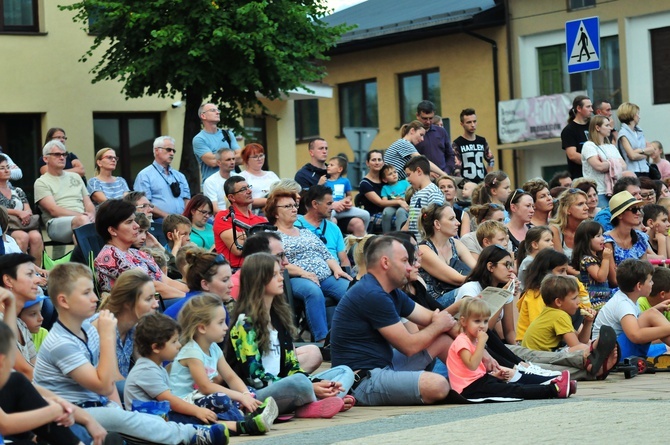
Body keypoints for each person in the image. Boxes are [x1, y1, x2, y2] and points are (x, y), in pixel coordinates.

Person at [34, 263, 229, 445]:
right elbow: (104, 384)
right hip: (70, 411)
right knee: (127, 410)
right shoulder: (65, 342)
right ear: (63, 301)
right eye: (86, 293)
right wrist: (108, 337)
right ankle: (192, 434)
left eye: (92, 291)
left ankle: (197, 427)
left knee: (135, 407)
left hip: (93, 404)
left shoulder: (89, 331)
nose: (95, 298)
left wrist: (119, 408)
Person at [330, 236, 458, 406]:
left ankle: (479, 379)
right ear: (385, 262)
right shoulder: (372, 294)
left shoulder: (390, 291)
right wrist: (439, 324)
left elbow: (431, 318)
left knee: (442, 339)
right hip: (361, 382)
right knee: (437, 385)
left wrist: (485, 357)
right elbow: (409, 347)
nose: (409, 267)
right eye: (405, 261)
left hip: (384, 365)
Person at [228, 253, 354, 416]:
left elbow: (291, 365)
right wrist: (310, 386)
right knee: (299, 383)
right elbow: (255, 378)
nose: (281, 278)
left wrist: (315, 383)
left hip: (286, 386)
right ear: (258, 280)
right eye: (274, 275)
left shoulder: (279, 317)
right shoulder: (244, 323)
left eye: (280, 273)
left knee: (344, 371)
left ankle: (312, 402)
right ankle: (313, 403)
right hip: (256, 395)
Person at [125, 313, 276, 436]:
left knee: (199, 416)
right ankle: (241, 424)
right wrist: (197, 410)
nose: (179, 345)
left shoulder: (156, 367)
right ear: (156, 347)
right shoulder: (146, 370)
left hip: (163, 418)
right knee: (194, 419)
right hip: (150, 425)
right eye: (174, 342)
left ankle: (241, 421)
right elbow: (170, 401)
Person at [167, 294, 279, 432]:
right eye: (220, 323)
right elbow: (205, 387)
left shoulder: (213, 348)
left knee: (249, 391)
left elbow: (231, 377)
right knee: (221, 399)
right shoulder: (192, 352)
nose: (226, 327)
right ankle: (243, 419)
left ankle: (246, 415)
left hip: (202, 398)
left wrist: (245, 395)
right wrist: (240, 397)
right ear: (202, 328)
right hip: (185, 404)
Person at [264, 189, 351, 342]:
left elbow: (325, 254)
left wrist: (337, 270)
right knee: (313, 291)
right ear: (275, 213)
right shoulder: (272, 235)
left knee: (351, 289)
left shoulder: (305, 232)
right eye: (287, 206)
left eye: (294, 205)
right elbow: (277, 262)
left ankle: (350, 336)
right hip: (295, 278)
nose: (293, 209)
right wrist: (304, 273)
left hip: (324, 276)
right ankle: (323, 340)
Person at [447, 297, 574, 400]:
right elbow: (472, 365)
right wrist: (481, 343)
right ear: (463, 321)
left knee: (510, 385)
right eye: (477, 321)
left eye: (485, 321)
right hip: (468, 389)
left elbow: (474, 371)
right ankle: (555, 389)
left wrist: (494, 375)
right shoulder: (461, 342)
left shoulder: (473, 340)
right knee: (513, 390)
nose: (482, 326)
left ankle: (556, 385)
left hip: (478, 382)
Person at [521, 275, 617, 379]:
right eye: (574, 298)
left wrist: (588, 322)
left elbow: (582, 340)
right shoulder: (559, 315)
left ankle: (596, 356)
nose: (579, 301)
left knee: (586, 344)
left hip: (539, 356)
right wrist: (590, 348)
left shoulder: (552, 312)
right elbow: (576, 347)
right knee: (582, 348)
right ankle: (597, 357)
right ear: (558, 302)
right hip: (540, 357)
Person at [94, 199, 187, 299]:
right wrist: (189, 298)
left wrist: (196, 293)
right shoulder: (110, 257)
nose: (137, 226)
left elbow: (167, 281)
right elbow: (153, 286)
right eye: (129, 222)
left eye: (134, 220)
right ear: (112, 230)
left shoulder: (137, 253)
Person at [593, 259, 670, 361]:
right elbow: (635, 335)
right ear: (639, 286)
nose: (652, 283)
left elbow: (636, 320)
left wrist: (656, 308)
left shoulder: (627, 299)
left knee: (652, 313)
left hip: (614, 350)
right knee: (652, 314)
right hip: (608, 355)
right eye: (650, 280)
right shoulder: (623, 304)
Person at [455, 245, 519, 345]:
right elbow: (483, 330)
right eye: (506, 265)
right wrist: (502, 296)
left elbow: (509, 332)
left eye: (511, 265)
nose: (511, 270)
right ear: (490, 266)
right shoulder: (470, 288)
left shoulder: (505, 289)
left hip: (493, 344)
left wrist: (518, 349)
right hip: (471, 345)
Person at [34, 140, 95, 243]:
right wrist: (82, 216)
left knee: (113, 224)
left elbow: (88, 202)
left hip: (83, 220)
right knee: (84, 223)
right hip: (56, 224)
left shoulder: (76, 176)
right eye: (57, 154)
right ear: (45, 158)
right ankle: (94, 258)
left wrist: (91, 214)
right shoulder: (41, 182)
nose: (62, 157)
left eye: (64, 154)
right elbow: (54, 210)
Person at [417, 203, 475, 307]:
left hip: (458, 293)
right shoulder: (424, 249)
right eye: (452, 219)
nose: (457, 223)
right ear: (437, 224)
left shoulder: (455, 243)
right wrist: (484, 279)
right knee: (470, 289)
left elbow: (476, 268)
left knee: (500, 293)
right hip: (436, 303)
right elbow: (457, 279)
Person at [213, 176, 268, 269]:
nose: (249, 191)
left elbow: (270, 246)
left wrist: (243, 236)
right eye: (243, 189)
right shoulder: (224, 217)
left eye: (248, 187)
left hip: (263, 267)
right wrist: (260, 237)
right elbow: (238, 249)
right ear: (231, 197)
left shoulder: (262, 220)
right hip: (236, 270)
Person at [163, 250, 233, 323]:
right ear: (205, 284)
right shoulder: (187, 313)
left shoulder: (218, 305)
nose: (231, 285)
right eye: (225, 280)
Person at [133, 136, 191, 221]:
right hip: (159, 221)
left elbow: (187, 199)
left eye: (173, 151)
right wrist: (168, 217)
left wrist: (184, 217)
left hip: (182, 221)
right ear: (157, 151)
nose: (172, 153)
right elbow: (144, 204)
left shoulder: (180, 176)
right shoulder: (144, 175)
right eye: (168, 150)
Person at [604, 191, 656, 286]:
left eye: (639, 209)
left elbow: (645, 273)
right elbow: (614, 280)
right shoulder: (607, 240)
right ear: (620, 215)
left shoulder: (641, 237)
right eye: (633, 210)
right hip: (617, 293)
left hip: (640, 289)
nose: (639, 213)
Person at [0, 154, 43, 263]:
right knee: (23, 237)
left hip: (23, 224)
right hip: (7, 227)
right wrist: (18, 212)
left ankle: (36, 273)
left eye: (7, 167)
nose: (6, 170)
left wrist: (25, 214)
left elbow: (28, 209)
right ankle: (18, 271)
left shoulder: (18, 190)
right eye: (2, 168)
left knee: (36, 237)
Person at [296, 185, 351, 268]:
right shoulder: (296, 227)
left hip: (335, 274)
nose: (332, 207)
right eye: (329, 204)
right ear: (315, 204)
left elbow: (344, 260)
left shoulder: (334, 228)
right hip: (308, 274)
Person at [358, 150, 409, 233]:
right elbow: (380, 203)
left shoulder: (389, 179)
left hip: (394, 209)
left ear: (383, 162)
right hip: (375, 214)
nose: (377, 162)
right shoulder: (365, 184)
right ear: (367, 163)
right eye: (374, 160)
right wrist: (399, 201)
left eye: (379, 160)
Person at [581, 116, 625, 208]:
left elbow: (624, 166)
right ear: (597, 128)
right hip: (598, 192)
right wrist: (614, 163)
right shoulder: (589, 146)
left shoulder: (611, 147)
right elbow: (599, 167)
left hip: (615, 191)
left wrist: (607, 163)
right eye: (607, 125)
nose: (610, 128)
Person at [571, 221, 614, 311]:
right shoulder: (587, 259)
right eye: (598, 236)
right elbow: (600, 277)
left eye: (602, 235)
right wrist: (606, 259)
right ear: (586, 240)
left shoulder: (597, 257)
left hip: (605, 298)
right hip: (594, 301)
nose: (603, 239)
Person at [193, 103, 240, 184]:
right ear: (203, 116)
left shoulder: (228, 134)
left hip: (233, 185)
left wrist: (220, 158)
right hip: (213, 185)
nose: (217, 112)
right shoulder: (199, 139)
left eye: (218, 110)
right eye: (213, 110)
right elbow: (212, 162)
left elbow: (241, 157)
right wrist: (232, 156)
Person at [324, 156, 370, 233]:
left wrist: (347, 200)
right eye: (328, 164)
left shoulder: (345, 181)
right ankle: (332, 237)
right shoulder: (325, 182)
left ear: (340, 169)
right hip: (332, 209)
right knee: (330, 219)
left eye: (331, 165)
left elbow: (349, 196)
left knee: (366, 214)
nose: (328, 166)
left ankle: (364, 235)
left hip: (344, 209)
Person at [403, 155, 444, 240]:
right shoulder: (415, 194)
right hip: (416, 243)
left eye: (409, 175)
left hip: (427, 243)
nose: (407, 179)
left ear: (418, 171)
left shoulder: (433, 191)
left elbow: (436, 218)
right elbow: (410, 221)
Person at [451, 108, 494, 183]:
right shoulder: (457, 143)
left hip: (481, 184)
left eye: (474, 121)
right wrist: (462, 183)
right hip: (466, 184)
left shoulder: (482, 141)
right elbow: (456, 167)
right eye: (469, 122)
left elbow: (491, 159)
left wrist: (488, 178)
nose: (472, 125)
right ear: (462, 124)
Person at [414, 100, 455, 175]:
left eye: (431, 118)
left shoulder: (441, 132)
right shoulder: (412, 134)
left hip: (443, 176)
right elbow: (411, 160)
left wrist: (446, 172)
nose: (428, 121)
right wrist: (427, 173)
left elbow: (450, 155)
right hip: (423, 177)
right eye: (425, 118)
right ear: (417, 115)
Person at [549, 188, 590, 262]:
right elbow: (560, 263)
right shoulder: (555, 230)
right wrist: (578, 273)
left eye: (586, 203)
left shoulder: (589, 229)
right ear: (567, 210)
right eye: (580, 204)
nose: (586, 208)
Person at [238, 143, 279, 212]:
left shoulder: (271, 175)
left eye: (261, 155)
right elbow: (242, 200)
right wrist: (268, 201)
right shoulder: (241, 177)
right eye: (255, 157)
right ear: (247, 159)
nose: (259, 159)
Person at [617, 102, 655, 176]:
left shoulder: (639, 131)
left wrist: (640, 151)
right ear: (631, 115)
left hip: (645, 169)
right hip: (633, 171)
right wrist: (645, 155)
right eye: (637, 114)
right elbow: (632, 156)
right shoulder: (623, 134)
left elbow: (652, 149)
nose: (639, 117)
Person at [561, 95, 592, 178]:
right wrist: (593, 161)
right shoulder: (569, 130)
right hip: (580, 177)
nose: (591, 110)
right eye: (588, 107)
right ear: (579, 108)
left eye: (591, 107)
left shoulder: (593, 126)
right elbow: (572, 155)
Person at [203, 147, 236, 214]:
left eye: (233, 159)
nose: (232, 162)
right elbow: (214, 209)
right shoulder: (210, 182)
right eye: (228, 160)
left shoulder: (239, 178)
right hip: (220, 219)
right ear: (219, 162)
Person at [379, 164, 410, 231]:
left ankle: (399, 234)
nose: (394, 175)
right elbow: (384, 201)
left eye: (395, 172)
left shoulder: (405, 183)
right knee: (386, 212)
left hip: (405, 204)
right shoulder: (385, 188)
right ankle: (386, 234)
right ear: (384, 180)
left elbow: (411, 194)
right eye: (390, 174)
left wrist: (405, 199)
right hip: (393, 205)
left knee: (400, 211)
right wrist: (395, 200)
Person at [505, 188, 535, 253]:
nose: (532, 210)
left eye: (533, 206)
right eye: (528, 206)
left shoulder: (534, 230)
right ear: (513, 207)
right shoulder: (503, 233)